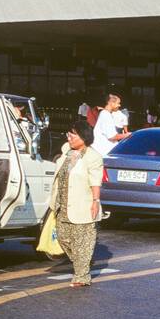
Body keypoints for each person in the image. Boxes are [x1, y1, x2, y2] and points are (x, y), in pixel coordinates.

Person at [50, 120, 105, 287]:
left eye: (73, 134)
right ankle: (83, 261)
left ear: (83, 137)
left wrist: (95, 201)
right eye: (69, 134)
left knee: (82, 241)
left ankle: (82, 276)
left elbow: (95, 181)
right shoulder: (66, 151)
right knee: (63, 238)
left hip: (83, 204)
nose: (69, 137)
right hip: (63, 205)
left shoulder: (93, 156)